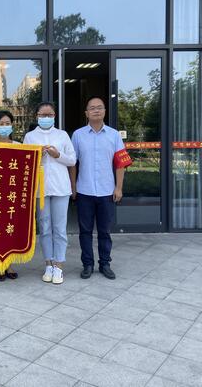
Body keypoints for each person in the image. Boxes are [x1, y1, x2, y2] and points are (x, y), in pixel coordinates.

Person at [69, 97, 129, 280]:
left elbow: (121, 163)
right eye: (92, 108)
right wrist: (73, 187)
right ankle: (87, 264)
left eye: (99, 107)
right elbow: (72, 163)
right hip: (84, 191)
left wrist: (118, 188)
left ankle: (105, 263)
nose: (96, 110)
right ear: (86, 113)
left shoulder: (114, 135)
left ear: (104, 111)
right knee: (85, 232)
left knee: (105, 231)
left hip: (107, 192)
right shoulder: (78, 135)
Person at [23, 102, 76, 285]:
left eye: (49, 115)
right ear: (37, 116)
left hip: (61, 188)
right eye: (42, 115)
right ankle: (48, 264)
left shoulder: (62, 135)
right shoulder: (30, 136)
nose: (46, 118)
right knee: (45, 227)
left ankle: (59, 266)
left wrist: (57, 154)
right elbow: (25, 161)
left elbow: (72, 160)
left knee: (60, 229)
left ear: (54, 116)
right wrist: (38, 155)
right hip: (40, 189)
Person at [0, 110, 20, 282]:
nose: (5, 126)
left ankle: (9, 265)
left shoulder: (19, 145)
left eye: (7, 123)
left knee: (11, 230)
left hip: (12, 194)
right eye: (1, 124)